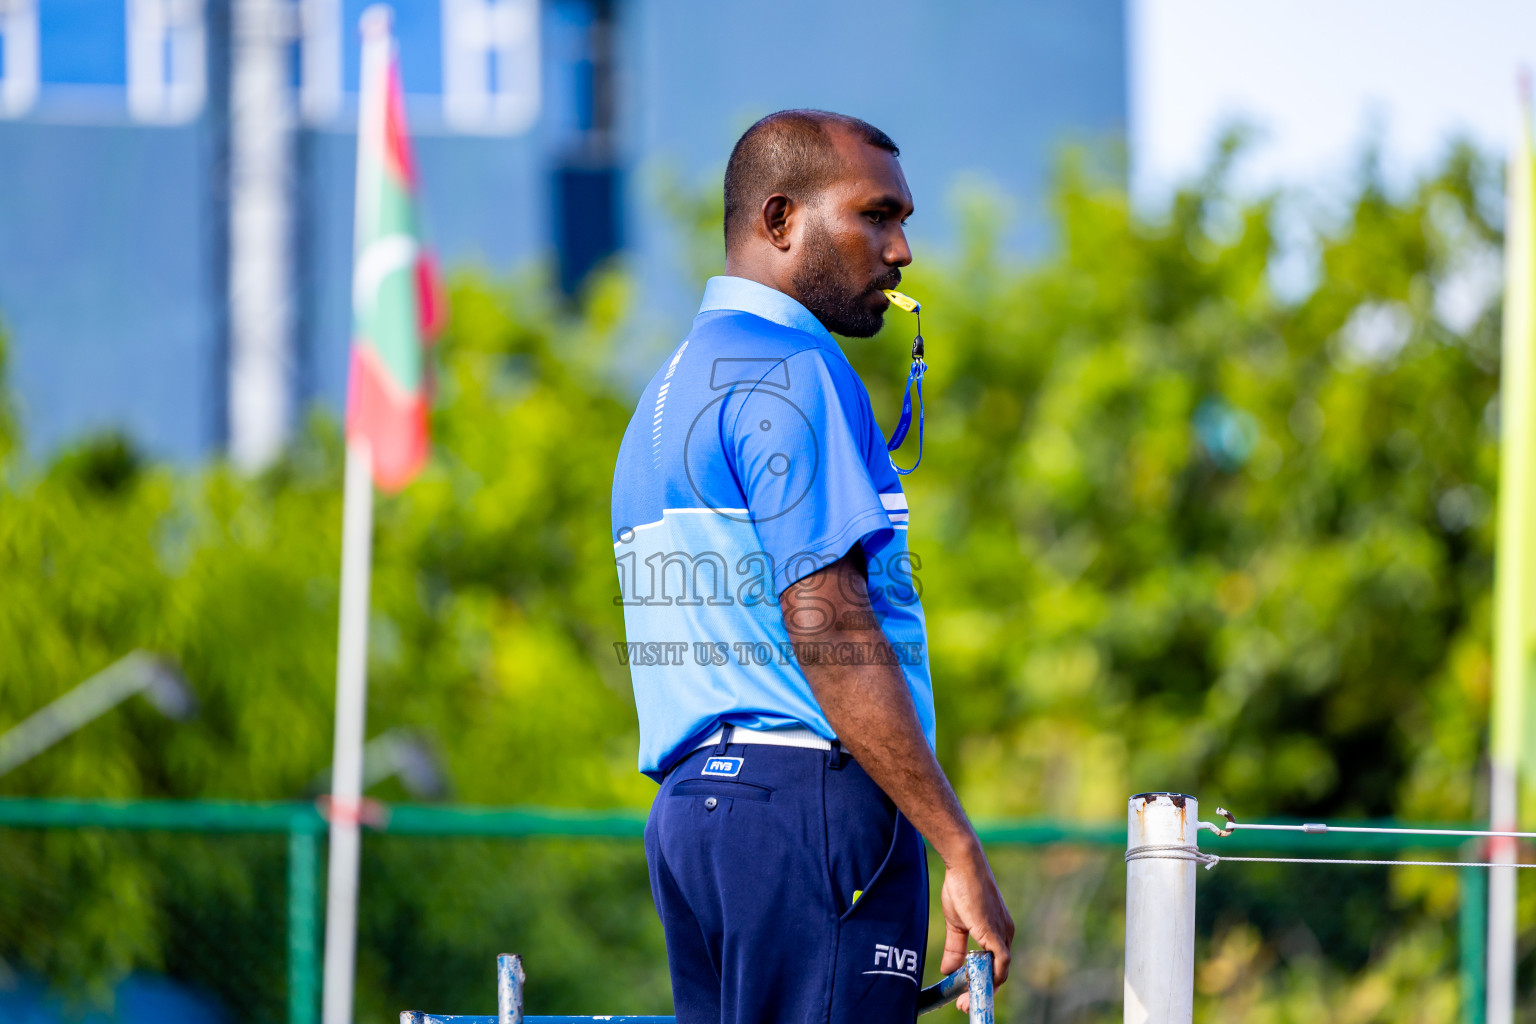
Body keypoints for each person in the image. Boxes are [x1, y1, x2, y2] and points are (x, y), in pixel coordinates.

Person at [610, 109, 1014, 1024]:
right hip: (808, 809)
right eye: (877, 215)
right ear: (781, 220)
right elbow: (826, 621)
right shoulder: (796, 365)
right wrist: (956, 845)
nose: (902, 250)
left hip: (692, 822)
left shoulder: (666, 392)